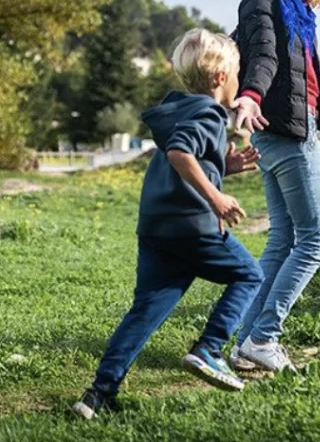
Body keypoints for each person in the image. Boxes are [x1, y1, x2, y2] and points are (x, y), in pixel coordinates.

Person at [73, 29, 264, 419]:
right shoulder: (210, 113)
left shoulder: (180, 108)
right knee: (249, 275)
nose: (239, 82)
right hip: (193, 225)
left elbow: (186, 151)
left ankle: (97, 395)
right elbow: (180, 153)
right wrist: (216, 197)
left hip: (157, 228)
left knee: (144, 311)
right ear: (218, 79)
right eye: (237, 73)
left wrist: (224, 166)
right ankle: (209, 348)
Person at [230, 0, 320, 372]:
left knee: (282, 240)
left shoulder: (299, 7)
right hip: (283, 132)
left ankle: (245, 343)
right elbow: (263, 54)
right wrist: (251, 93)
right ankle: (264, 336)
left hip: (291, 131)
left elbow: (311, 74)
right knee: (317, 241)